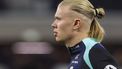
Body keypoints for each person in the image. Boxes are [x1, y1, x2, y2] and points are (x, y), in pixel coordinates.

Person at [51, 0, 118, 69]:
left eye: (58, 19)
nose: (53, 24)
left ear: (76, 24)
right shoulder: (79, 53)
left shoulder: (93, 51)